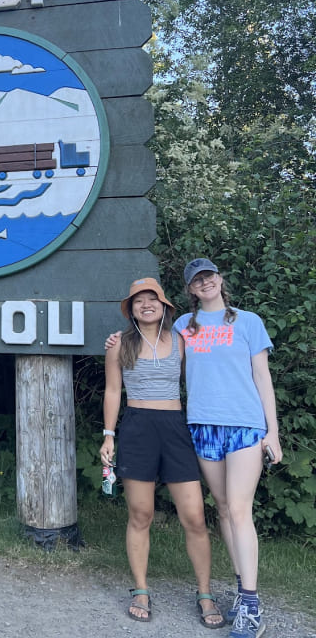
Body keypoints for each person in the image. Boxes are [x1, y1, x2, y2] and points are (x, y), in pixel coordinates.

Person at [99, 277, 224, 628]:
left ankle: (205, 593)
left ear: (165, 305)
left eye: (152, 298)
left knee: (195, 517)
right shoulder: (118, 344)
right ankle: (140, 589)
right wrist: (109, 436)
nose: (145, 304)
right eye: (138, 301)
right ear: (131, 310)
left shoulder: (183, 341)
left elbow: (203, 375)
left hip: (174, 427)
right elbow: (112, 392)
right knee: (141, 515)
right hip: (137, 426)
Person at [175, 258, 282, 638]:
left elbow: (261, 376)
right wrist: (120, 341)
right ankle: (240, 586)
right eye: (197, 280)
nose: (205, 283)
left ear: (220, 279)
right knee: (222, 508)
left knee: (239, 509)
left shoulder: (248, 322)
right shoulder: (183, 326)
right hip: (203, 424)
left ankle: (251, 606)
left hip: (244, 424)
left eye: (210, 277)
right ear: (190, 289)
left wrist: (273, 431)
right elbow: (158, 357)